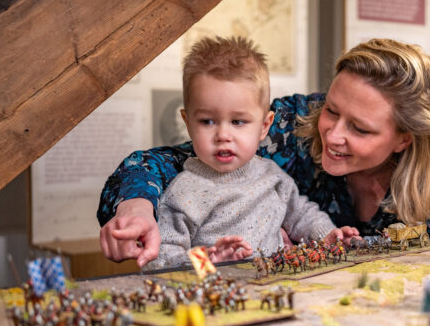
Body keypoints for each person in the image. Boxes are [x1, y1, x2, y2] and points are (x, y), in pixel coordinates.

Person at [98, 38, 430, 266]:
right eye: (332, 110)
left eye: (360, 128)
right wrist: (136, 207)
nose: (332, 134)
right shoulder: (290, 125)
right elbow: (161, 164)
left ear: (404, 140)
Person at [143, 36, 354, 269]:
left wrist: (328, 235)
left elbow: (301, 214)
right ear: (188, 123)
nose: (223, 134)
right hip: (218, 297)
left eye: (238, 121)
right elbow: (160, 259)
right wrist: (207, 263)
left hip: (274, 288)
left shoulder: (271, 175)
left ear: (264, 126)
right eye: (207, 121)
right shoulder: (184, 192)